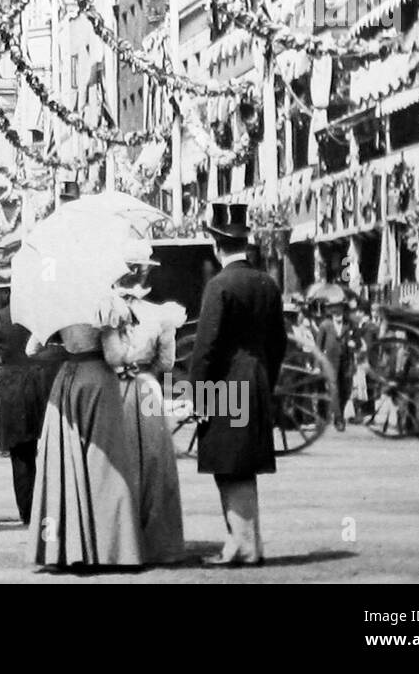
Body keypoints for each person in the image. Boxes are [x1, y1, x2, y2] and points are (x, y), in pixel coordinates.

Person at [27, 245, 186, 569]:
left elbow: (33, 348)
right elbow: (120, 358)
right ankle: (115, 546)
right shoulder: (110, 304)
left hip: (68, 380)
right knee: (112, 466)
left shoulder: (61, 300)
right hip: (111, 384)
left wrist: (69, 345)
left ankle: (70, 544)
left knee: (70, 463)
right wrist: (129, 356)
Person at [191, 203, 287, 567]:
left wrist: (197, 396)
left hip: (225, 385)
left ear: (217, 247)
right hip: (258, 379)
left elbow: (206, 347)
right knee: (241, 464)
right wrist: (267, 380)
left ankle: (243, 546)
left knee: (229, 466)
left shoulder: (219, 286)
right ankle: (245, 543)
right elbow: (279, 342)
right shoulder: (267, 283)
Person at [0, 267, 61, 525]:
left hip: (12, 387)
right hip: (42, 383)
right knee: (50, 449)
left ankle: (27, 513)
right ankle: (52, 507)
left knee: (21, 454)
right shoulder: (39, 316)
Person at [315, 296, 351, 431]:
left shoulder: (348, 324)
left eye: (340, 308)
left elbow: (357, 340)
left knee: (345, 391)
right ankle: (339, 418)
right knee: (334, 390)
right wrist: (317, 365)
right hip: (330, 363)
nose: (338, 311)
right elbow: (318, 347)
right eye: (335, 309)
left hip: (346, 362)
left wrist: (353, 344)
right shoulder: (325, 325)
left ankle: (338, 412)